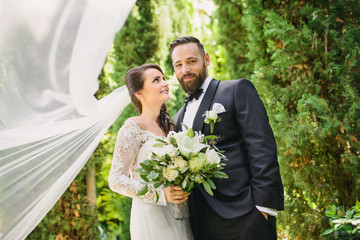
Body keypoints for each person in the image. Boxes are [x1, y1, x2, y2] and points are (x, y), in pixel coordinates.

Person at [170, 36, 284, 240]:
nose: (184, 70)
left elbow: (261, 146)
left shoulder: (236, 90)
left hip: (245, 213)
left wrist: (263, 206)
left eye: (191, 61)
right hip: (201, 222)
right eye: (178, 65)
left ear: (206, 59)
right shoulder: (178, 117)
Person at [108, 63, 193, 240]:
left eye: (163, 78)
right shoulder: (133, 127)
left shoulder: (170, 128)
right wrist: (159, 194)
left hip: (179, 214)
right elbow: (115, 180)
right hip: (151, 216)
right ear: (139, 94)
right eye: (156, 80)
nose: (165, 83)